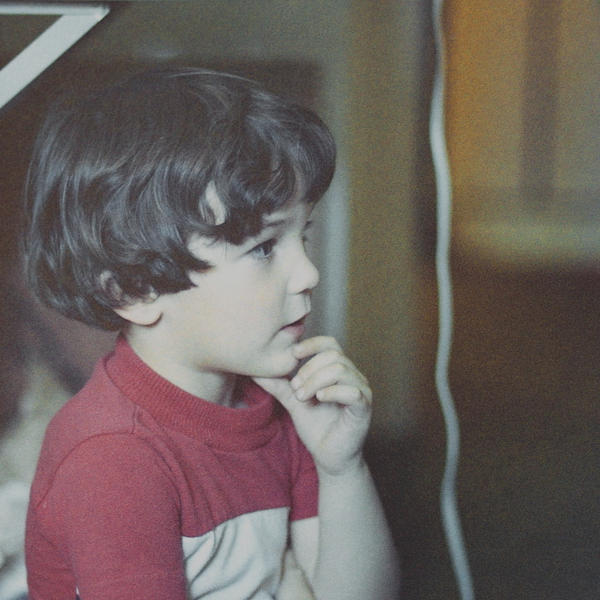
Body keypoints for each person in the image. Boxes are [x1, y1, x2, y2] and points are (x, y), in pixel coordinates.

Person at [22, 66, 399, 600]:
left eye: (303, 235)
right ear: (135, 289)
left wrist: (342, 469)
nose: (309, 273)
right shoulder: (114, 458)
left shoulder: (282, 410)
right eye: (263, 248)